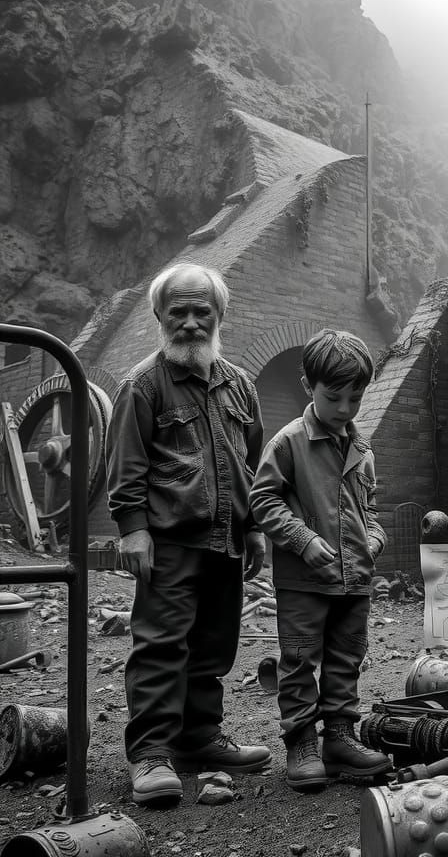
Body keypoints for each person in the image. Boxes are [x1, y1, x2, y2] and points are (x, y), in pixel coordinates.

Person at [105, 263, 271, 807]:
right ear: (159, 315)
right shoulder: (142, 385)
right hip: (170, 540)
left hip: (227, 540)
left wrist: (254, 529)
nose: (191, 323)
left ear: (220, 315)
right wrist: (133, 531)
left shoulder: (240, 385)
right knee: (161, 645)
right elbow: (126, 465)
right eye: (179, 311)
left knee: (214, 644)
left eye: (203, 311)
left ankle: (199, 739)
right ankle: (151, 753)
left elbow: (251, 464)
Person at [249, 329, 391, 792]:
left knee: (347, 658)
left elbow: (370, 510)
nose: (346, 409)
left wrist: (375, 539)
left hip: (356, 580)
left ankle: (341, 739)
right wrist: (303, 539)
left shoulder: (363, 449)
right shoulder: (288, 442)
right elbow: (263, 500)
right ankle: (302, 743)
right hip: (305, 581)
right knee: (298, 660)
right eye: (334, 398)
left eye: (356, 398)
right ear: (308, 386)